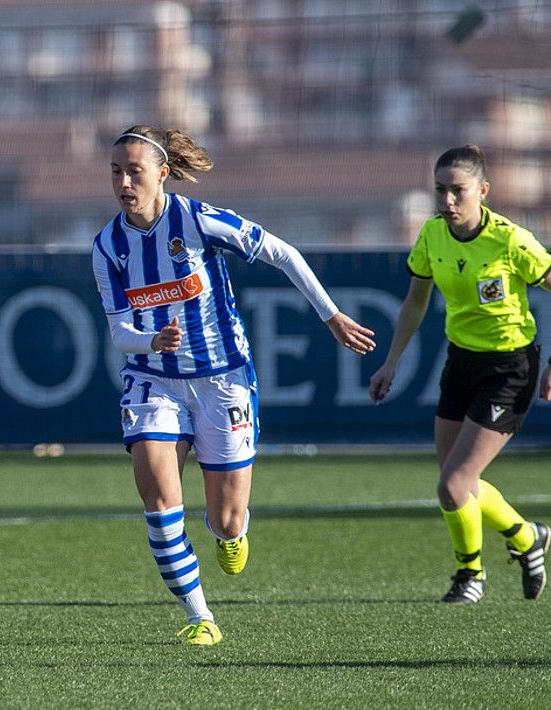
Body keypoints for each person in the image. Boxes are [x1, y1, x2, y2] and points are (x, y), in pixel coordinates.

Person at [92, 125, 375, 646]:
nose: (124, 182)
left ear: (162, 172)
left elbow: (283, 253)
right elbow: (119, 332)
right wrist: (152, 343)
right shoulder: (108, 245)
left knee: (224, 518)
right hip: (153, 382)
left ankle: (233, 530)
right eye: (116, 171)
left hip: (224, 381)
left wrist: (331, 316)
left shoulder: (197, 219)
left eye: (135, 170)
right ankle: (201, 616)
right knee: (158, 501)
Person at [369, 144, 551, 604]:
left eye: (458, 191)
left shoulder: (511, 241)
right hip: (462, 362)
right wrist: (391, 362)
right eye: (440, 191)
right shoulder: (432, 235)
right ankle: (527, 538)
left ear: (483, 192)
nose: (447, 201)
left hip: (511, 367)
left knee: (453, 485)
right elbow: (415, 299)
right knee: (456, 482)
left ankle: (471, 574)